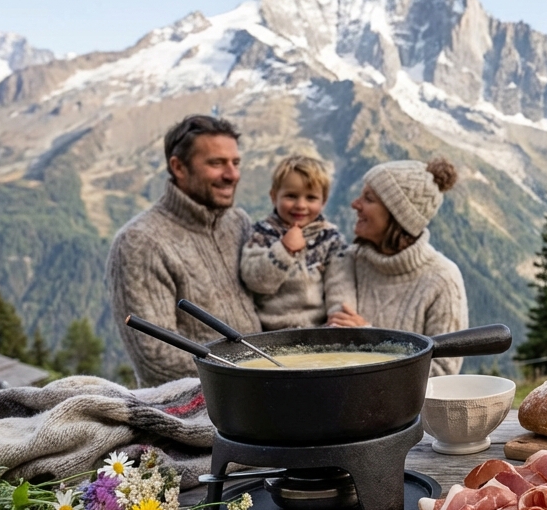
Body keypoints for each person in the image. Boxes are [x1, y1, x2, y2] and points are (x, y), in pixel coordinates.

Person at [106, 115, 261, 386]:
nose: (232, 175)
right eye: (216, 163)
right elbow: (155, 359)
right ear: (178, 167)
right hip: (191, 411)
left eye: (235, 163)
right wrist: (258, 368)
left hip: (267, 391)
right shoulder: (140, 242)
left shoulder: (239, 223)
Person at [325, 158, 468, 375]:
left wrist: (370, 339)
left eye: (369, 198)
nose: (355, 204)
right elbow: (337, 338)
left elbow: (443, 372)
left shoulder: (443, 279)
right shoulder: (347, 261)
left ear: (397, 216)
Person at [240, 155, 348, 330]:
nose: (300, 205)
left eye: (311, 198)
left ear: (324, 201)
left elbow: (340, 285)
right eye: (291, 196)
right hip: (271, 333)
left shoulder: (330, 239)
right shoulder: (261, 234)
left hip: (318, 332)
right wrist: (284, 250)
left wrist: (337, 322)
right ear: (274, 197)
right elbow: (256, 281)